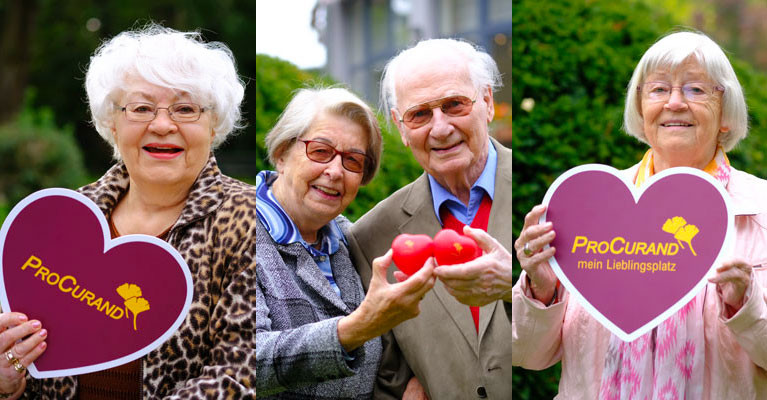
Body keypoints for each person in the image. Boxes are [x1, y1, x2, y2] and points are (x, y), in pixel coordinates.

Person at [0, 24, 256, 398]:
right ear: (112, 123)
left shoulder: (249, 220)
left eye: (185, 109)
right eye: (141, 108)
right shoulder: (61, 221)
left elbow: (239, 377)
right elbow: (31, 365)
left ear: (213, 124)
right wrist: (9, 382)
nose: (163, 124)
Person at [512, 31, 767, 399]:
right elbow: (526, 355)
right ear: (641, 108)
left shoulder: (759, 209)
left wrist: (747, 305)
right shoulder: (589, 207)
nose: (675, 103)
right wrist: (541, 288)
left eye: (696, 90)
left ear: (726, 115)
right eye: (659, 89)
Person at [347, 38, 515, 399]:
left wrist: (514, 284)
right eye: (420, 114)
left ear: (486, 103)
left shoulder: (546, 192)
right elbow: (383, 371)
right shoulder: (371, 238)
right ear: (401, 127)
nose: (439, 128)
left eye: (454, 105)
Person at [255, 87, 436, 398]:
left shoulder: (352, 239)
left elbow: (397, 342)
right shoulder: (235, 233)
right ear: (282, 154)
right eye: (320, 151)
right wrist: (355, 329)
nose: (335, 172)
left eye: (353, 160)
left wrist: (413, 381)